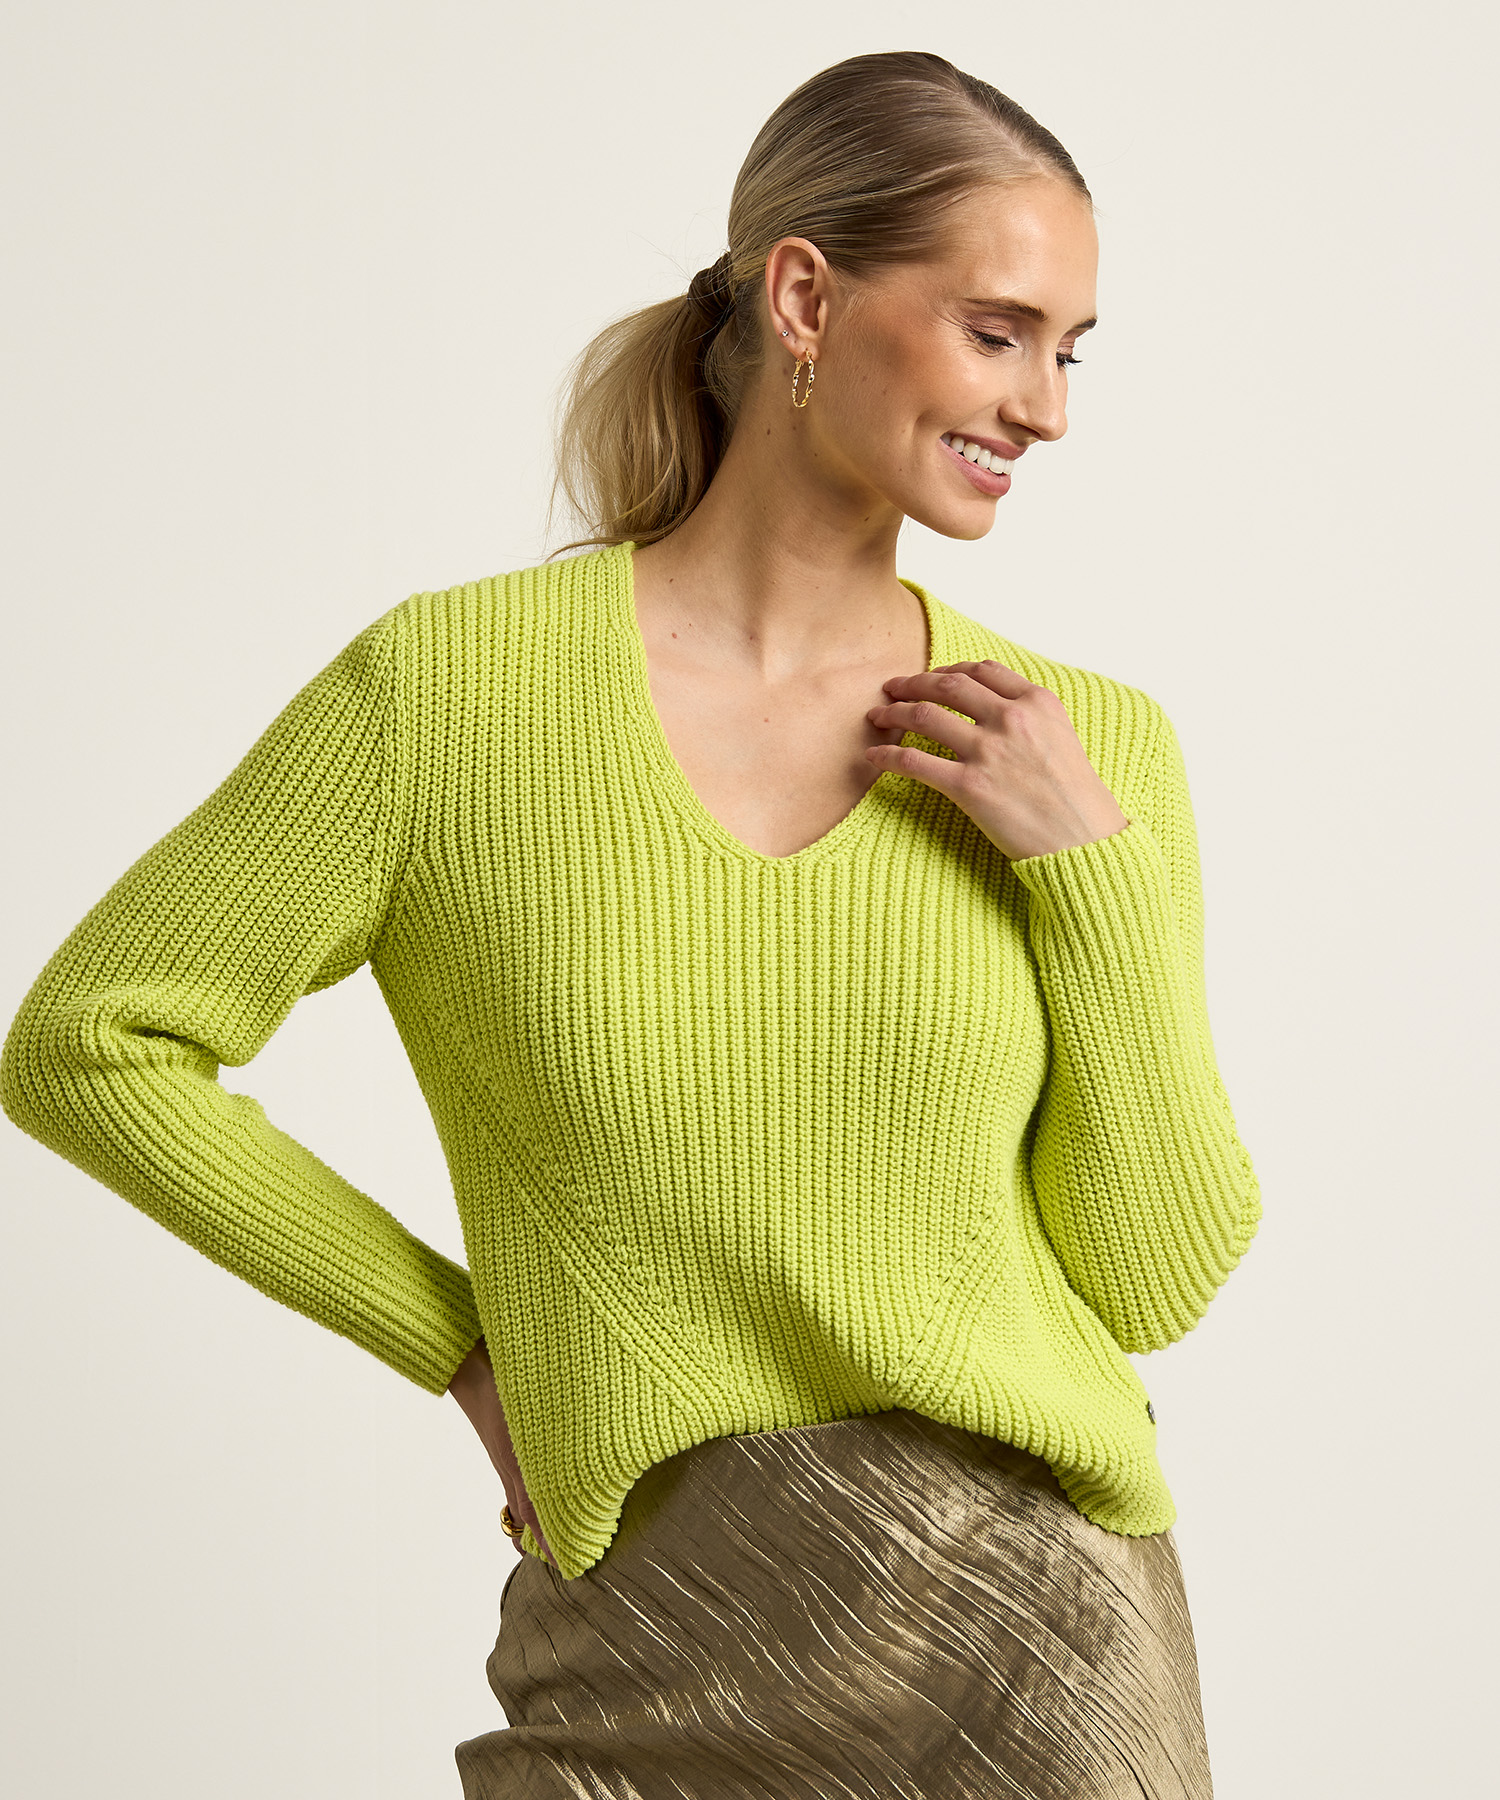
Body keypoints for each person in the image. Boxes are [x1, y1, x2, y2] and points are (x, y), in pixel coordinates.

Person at [0, 49, 1261, 1800]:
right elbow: (90, 1044)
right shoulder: (447, 698)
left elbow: (1154, 1273)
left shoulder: (1083, 752)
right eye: (1000, 332)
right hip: (644, 1647)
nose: (1046, 408)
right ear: (805, 297)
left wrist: (1090, 868)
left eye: (1072, 351)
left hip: (1028, 1653)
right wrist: (460, 1344)